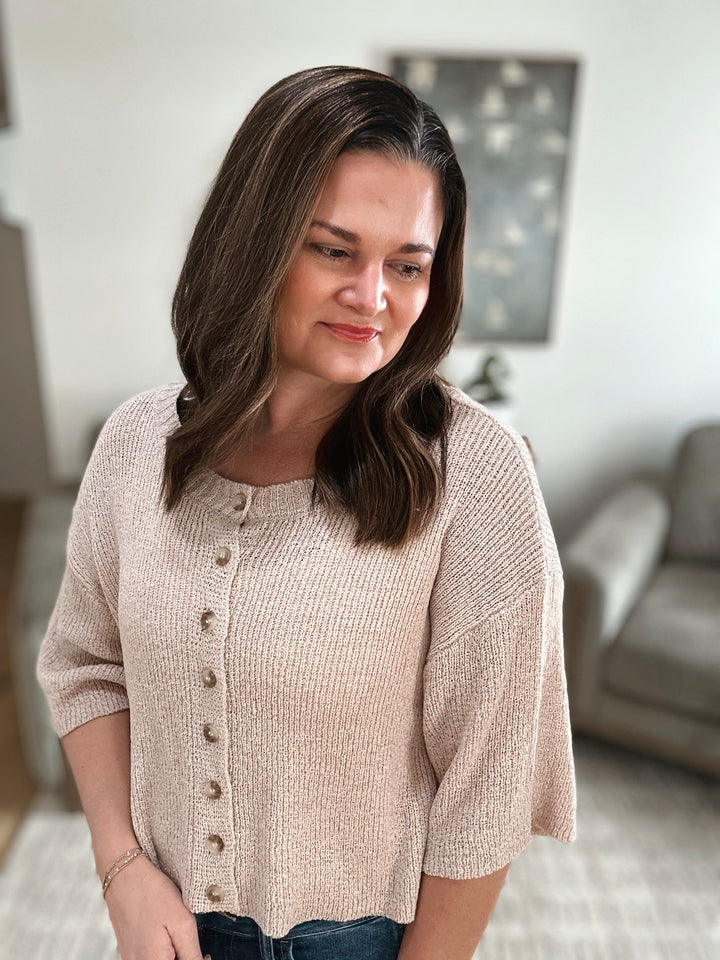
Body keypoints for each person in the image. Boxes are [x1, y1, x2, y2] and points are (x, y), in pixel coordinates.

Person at [36, 65, 577, 960]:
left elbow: (488, 789)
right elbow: (85, 665)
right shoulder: (135, 444)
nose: (374, 299)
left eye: (408, 265)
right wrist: (121, 867)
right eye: (333, 250)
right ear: (253, 242)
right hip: (154, 928)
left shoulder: (476, 477)